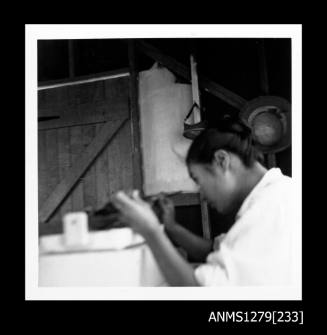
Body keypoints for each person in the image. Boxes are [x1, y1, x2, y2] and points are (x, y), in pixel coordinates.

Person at [112, 116, 296, 286]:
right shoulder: (273, 196)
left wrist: (150, 231)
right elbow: (215, 250)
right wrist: (171, 227)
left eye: (199, 180)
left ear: (221, 160)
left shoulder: (271, 207)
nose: (203, 194)